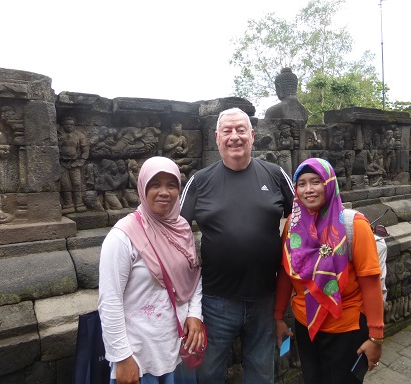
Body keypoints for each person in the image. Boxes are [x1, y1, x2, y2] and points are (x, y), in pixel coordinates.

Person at [180, 107, 294, 383]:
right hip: (216, 300)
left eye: (241, 130)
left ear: (252, 136)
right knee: (208, 374)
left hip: (265, 300)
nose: (235, 137)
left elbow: (304, 217)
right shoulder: (200, 181)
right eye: (227, 131)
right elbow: (174, 232)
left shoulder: (276, 175)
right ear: (217, 138)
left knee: (262, 373)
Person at [274, 157, 384, 384]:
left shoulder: (354, 225)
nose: (308, 190)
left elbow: (370, 281)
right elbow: (286, 272)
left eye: (316, 182)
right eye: (301, 184)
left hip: (346, 327)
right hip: (305, 324)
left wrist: (376, 337)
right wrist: (278, 317)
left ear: (329, 183)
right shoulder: (292, 226)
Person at [98, 156, 204, 384]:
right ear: (142, 187)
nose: (164, 192)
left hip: (179, 348)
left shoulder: (182, 228)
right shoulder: (123, 236)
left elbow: (193, 276)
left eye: (171, 185)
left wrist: (195, 314)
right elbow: (110, 301)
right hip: (140, 356)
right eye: (155, 185)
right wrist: (122, 358)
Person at [58, 117, 89, 214]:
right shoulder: (59, 135)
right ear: (63, 125)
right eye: (67, 124)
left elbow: (85, 150)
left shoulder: (79, 135)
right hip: (62, 163)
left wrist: (81, 161)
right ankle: (68, 205)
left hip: (74, 163)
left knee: (77, 184)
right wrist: (61, 140)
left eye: (71, 124)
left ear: (74, 125)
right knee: (65, 185)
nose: (69, 126)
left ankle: (79, 203)